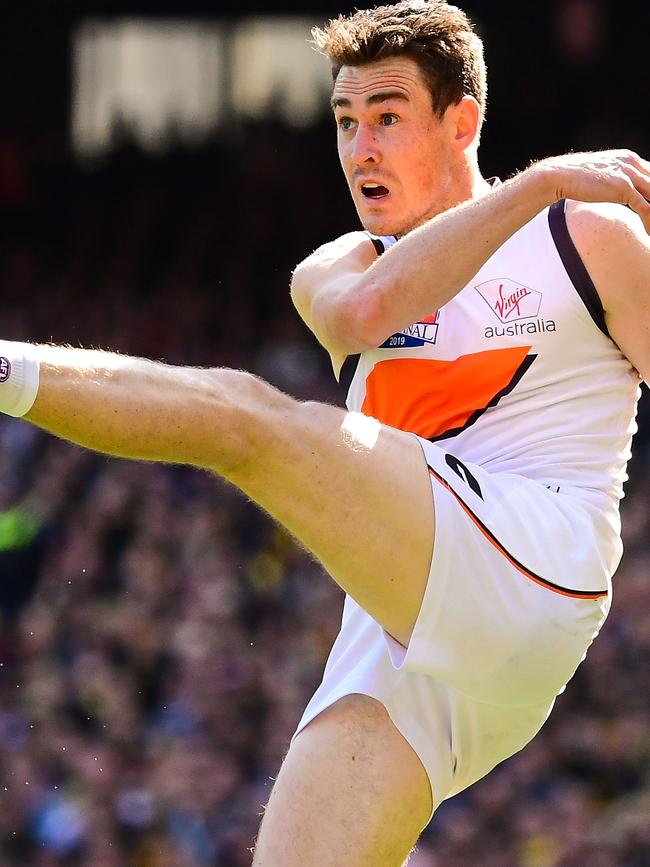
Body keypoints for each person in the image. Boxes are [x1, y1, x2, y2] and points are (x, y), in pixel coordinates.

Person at [1, 1, 650, 863]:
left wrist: (540, 194)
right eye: (346, 123)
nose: (361, 150)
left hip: (539, 562)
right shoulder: (338, 265)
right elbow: (368, 311)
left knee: (245, 417)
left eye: (387, 119)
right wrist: (539, 180)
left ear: (464, 124)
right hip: (407, 635)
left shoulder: (588, 234)